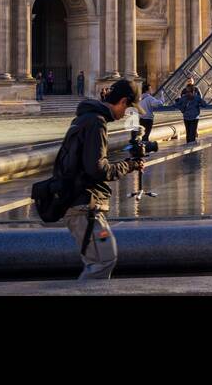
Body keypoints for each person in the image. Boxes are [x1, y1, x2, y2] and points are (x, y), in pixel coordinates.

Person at [55, 78, 144, 280]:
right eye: (128, 108)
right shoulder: (96, 122)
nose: (126, 114)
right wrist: (129, 165)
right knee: (102, 260)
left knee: (101, 259)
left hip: (81, 202)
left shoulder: (87, 118)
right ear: (122, 101)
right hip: (83, 203)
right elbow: (98, 169)